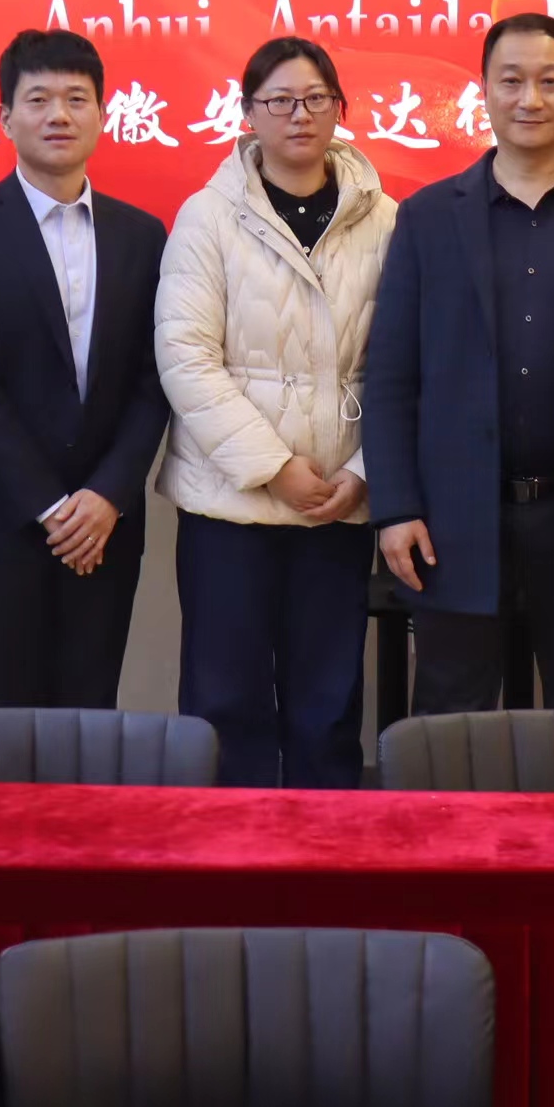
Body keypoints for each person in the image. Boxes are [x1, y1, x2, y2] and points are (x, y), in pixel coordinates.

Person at [364, 13, 554, 715]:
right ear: (485, 91)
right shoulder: (427, 216)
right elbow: (391, 377)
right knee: (450, 713)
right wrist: (397, 507)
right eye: (512, 80)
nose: (530, 98)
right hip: (453, 516)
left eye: (550, 81)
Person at [155, 38, 397, 787]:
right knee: (226, 702)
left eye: (317, 98)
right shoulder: (208, 216)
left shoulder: (386, 219)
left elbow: (406, 362)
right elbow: (186, 357)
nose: (300, 114)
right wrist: (273, 467)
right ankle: (229, 850)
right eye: (280, 100)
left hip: (339, 502)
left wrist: (363, 472)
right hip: (230, 504)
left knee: (329, 706)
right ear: (248, 113)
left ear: (340, 109)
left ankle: (327, 849)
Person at [0, 28, 169, 710]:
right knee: (2, 724)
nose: (58, 115)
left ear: (103, 113)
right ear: (5, 118)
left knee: (89, 718)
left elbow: (154, 379)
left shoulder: (142, 234)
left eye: (76, 98)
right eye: (38, 100)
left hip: (105, 526)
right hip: (2, 521)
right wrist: (51, 506)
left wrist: (108, 495)